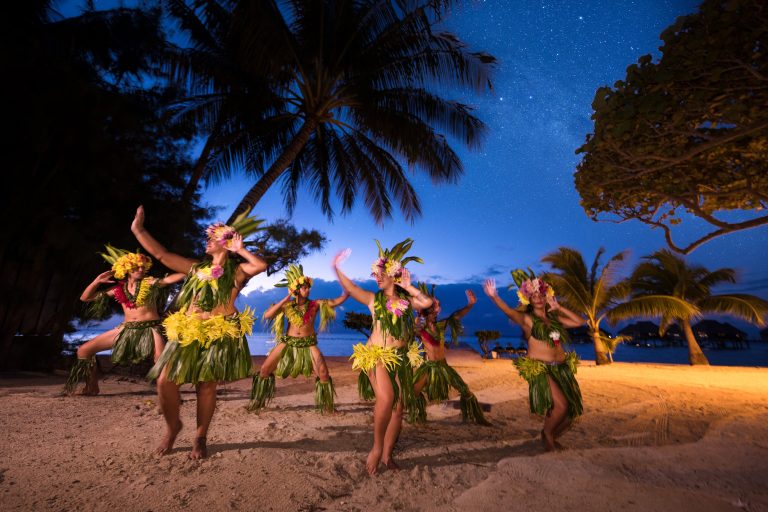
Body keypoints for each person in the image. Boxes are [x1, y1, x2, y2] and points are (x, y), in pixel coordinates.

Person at [131, 205, 267, 459]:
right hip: (188, 332)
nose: (206, 242)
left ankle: (200, 436)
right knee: (164, 380)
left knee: (206, 387)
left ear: (225, 243)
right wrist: (138, 230)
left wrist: (241, 250)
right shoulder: (195, 268)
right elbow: (161, 254)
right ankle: (173, 427)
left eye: (211, 238)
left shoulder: (236, 272)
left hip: (218, 336)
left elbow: (260, 265)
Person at [333, 240, 432, 475]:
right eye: (375, 273)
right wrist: (337, 268)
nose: (377, 277)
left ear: (394, 275)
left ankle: (388, 455)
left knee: (398, 408)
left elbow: (426, 303)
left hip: (400, 358)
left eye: (381, 274)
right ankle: (376, 449)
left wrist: (409, 286)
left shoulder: (407, 303)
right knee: (386, 399)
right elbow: (352, 287)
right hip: (377, 356)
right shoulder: (372, 300)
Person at [483, 269, 585, 451]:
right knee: (561, 406)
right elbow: (508, 311)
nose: (538, 298)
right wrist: (494, 296)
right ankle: (547, 434)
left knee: (571, 413)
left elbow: (580, 322)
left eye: (541, 294)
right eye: (533, 295)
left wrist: (559, 307)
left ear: (547, 297)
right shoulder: (527, 320)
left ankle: (550, 434)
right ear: (528, 299)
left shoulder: (554, 319)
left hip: (562, 368)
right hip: (540, 368)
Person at [65, 246, 185, 395]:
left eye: (142, 267)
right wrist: (97, 281)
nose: (140, 270)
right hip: (126, 329)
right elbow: (86, 298)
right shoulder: (118, 289)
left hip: (150, 329)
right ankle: (91, 387)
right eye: (136, 267)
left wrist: (188, 269)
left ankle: (169, 392)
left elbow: (168, 280)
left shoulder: (149, 283)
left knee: (161, 360)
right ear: (126, 269)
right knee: (84, 351)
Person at [248, 264, 349, 413]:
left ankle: (327, 407)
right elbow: (268, 315)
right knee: (264, 370)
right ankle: (257, 403)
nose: (308, 290)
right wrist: (286, 298)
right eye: (304, 288)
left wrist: (347, 292)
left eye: (308, 287)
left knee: (323, 374)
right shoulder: (288, 305)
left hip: (308, 343)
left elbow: (335, 302)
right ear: (296, 289)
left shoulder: (315, 305)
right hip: (288, 342)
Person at [411, 285, 490, 425]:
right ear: (423, 311)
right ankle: (416, 416)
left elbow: (456, 315)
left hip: (443, 366)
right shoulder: (420, 328)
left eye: (435, 309)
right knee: (414, 392)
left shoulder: (442, 325)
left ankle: (477, 416)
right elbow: (412, 330)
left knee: (464, 390)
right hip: (428, 367)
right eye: (430, 309)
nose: (434, 312)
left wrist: (470, 304)